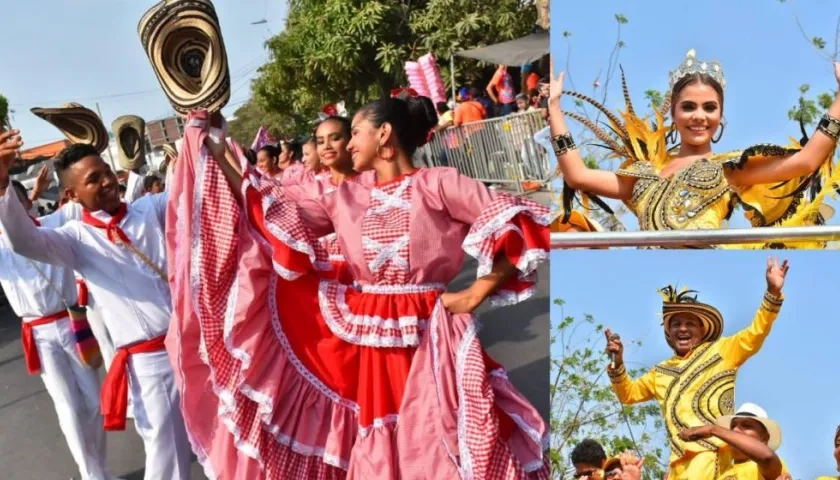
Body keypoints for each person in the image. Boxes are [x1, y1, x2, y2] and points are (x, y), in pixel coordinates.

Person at [165, 96, 550, 478]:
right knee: (384, 440)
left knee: (442, 435)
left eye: (356, 133)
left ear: (384, 134)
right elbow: (276, 217)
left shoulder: (437, 183)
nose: (348, 145)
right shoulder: (347, 196)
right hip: (371, 339)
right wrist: (220, 155)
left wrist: (475, 292)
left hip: (433, 336)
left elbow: (520, 220)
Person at [0, 141, 192, 479]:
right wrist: (2, 183)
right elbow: (24, 241)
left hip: (191, 347)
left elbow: (190, 192)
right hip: (151, 365)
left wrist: (201, 128)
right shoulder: (74, 238)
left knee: (218, 437)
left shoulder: (150, 208)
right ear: (72, 195)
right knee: (167, 458)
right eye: (93, 179)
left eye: (106, 172)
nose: (106, 182)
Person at [550, 51, 840, 247]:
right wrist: (554, 108)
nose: (699, 116)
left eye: (709, 108)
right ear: (674, 114)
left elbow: (806, 161)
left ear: (720, 116)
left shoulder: (730, 170)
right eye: (688, 107)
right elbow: (577, 175)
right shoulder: (642, 175)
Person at [604, 258, 788, 480]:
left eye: (690, 323)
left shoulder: (722, 351)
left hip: (710, 457)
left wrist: (772, 293)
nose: (682, 329)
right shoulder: (660, 372)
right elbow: (628, 394)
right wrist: (618, 363)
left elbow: (755, 333)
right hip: (676, 464)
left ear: (702, 330)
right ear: (669, 333)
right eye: (676, 324)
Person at [0, 139, 115, 480]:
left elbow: (84, 198)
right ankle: (92, 475)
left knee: (93, 403)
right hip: (40, 334)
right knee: (68, 407)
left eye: (16, 200)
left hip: (72, 324)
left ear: (28, 203)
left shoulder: (56, 224)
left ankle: (100, 470)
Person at [679, 403, 787, 479]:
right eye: (733, 426)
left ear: (764, 438)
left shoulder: (761, 468)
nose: (735, 430)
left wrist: (713, 430)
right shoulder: (720, 474)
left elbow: (767, 457)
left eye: (746, 426)